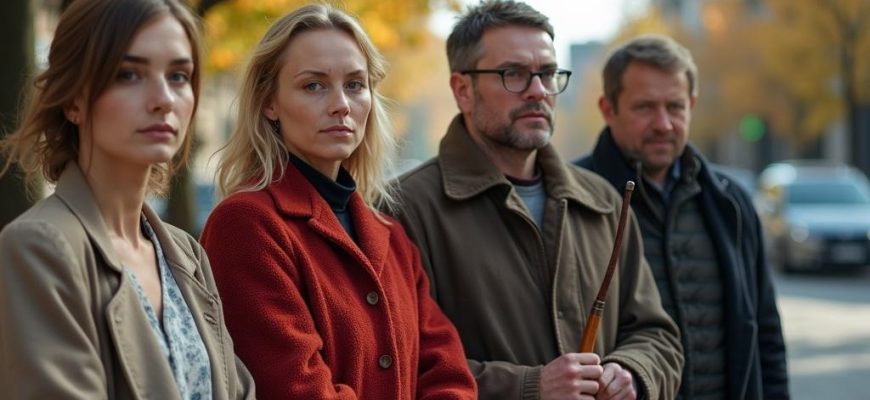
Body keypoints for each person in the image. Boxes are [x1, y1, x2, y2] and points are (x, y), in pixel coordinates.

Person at [388, 1, 683, 399]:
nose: (539, 91)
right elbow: (400, 364)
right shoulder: (406, 210)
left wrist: (632, 370)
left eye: (547, 73)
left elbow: (657, 334)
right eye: (514, 74)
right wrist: (531, 387)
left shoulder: (603, 202)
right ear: (463, 90)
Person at [199, 5, 477, 399]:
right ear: (269, 102)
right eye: (314, 85)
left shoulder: (390, 236)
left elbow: (447, 371)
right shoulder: (246, 225)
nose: (341, 104)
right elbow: (296, 388)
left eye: (355, 84)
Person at [0, 0, 255, 398]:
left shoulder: (186, 254)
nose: (164, 99)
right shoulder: (38, 247)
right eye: (129, 74)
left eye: (179, 76)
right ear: (73, 100)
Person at [575, 34, 789, 399]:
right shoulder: (574, 199)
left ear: (691, 105)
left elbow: (765, 334)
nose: (663, 124)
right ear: (608, 109)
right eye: (645, 107)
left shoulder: (730, 202)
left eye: (675, 106)